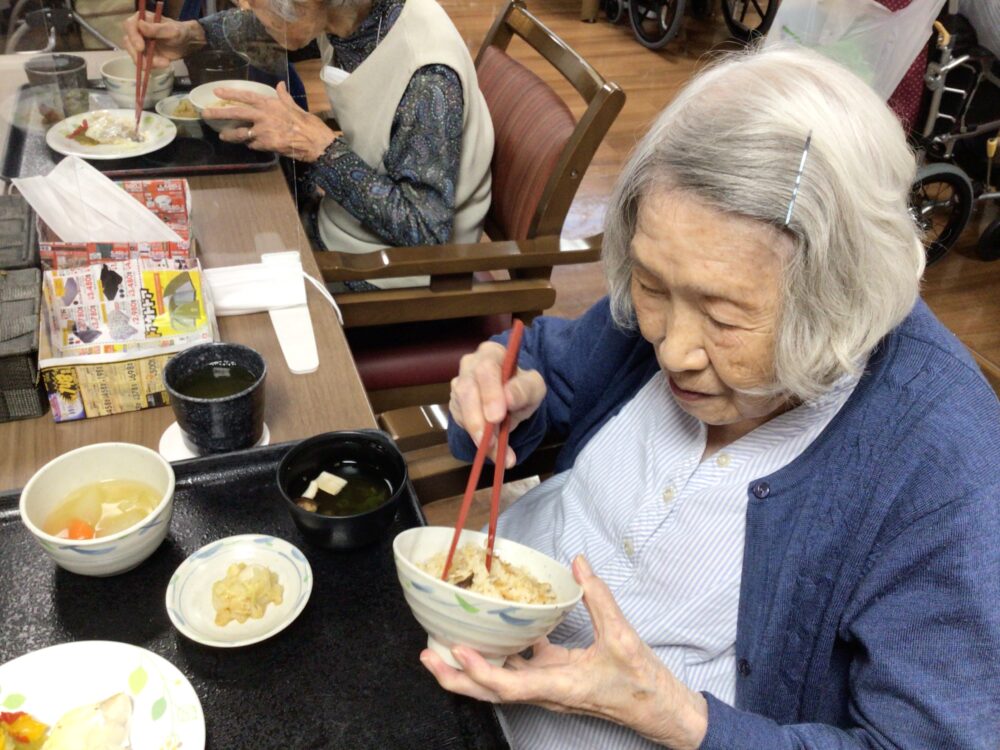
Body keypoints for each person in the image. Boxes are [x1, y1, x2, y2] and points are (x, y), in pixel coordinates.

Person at [425, 45, 1000, 749]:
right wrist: (510, 396)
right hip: (458, 647)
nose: (670, 348)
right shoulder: (688, 260)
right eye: (651, 285)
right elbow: (549, 365)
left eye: (725, 319)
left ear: (840, 300)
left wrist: (671, 714)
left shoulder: (942, 465)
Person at [123, 0, 494, 289]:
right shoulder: (351, 15)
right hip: (345, 225)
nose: (250, 13)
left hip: (394, 271)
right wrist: (191, 36)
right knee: (219, 232)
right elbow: (269, 29)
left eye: (258, 6)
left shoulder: (428, 77)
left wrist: (320, 149)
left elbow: (426, 231)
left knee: (219, 268)